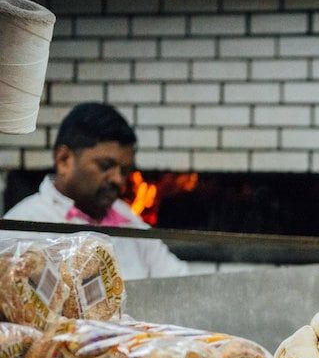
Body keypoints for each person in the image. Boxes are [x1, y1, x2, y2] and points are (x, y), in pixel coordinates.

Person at [4, 102, 188, 279]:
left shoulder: (128, 220)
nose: (118, 179)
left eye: (124, 171)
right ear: (64, 159)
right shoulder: (22, 226)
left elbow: (179, 281)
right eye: (105, 166)